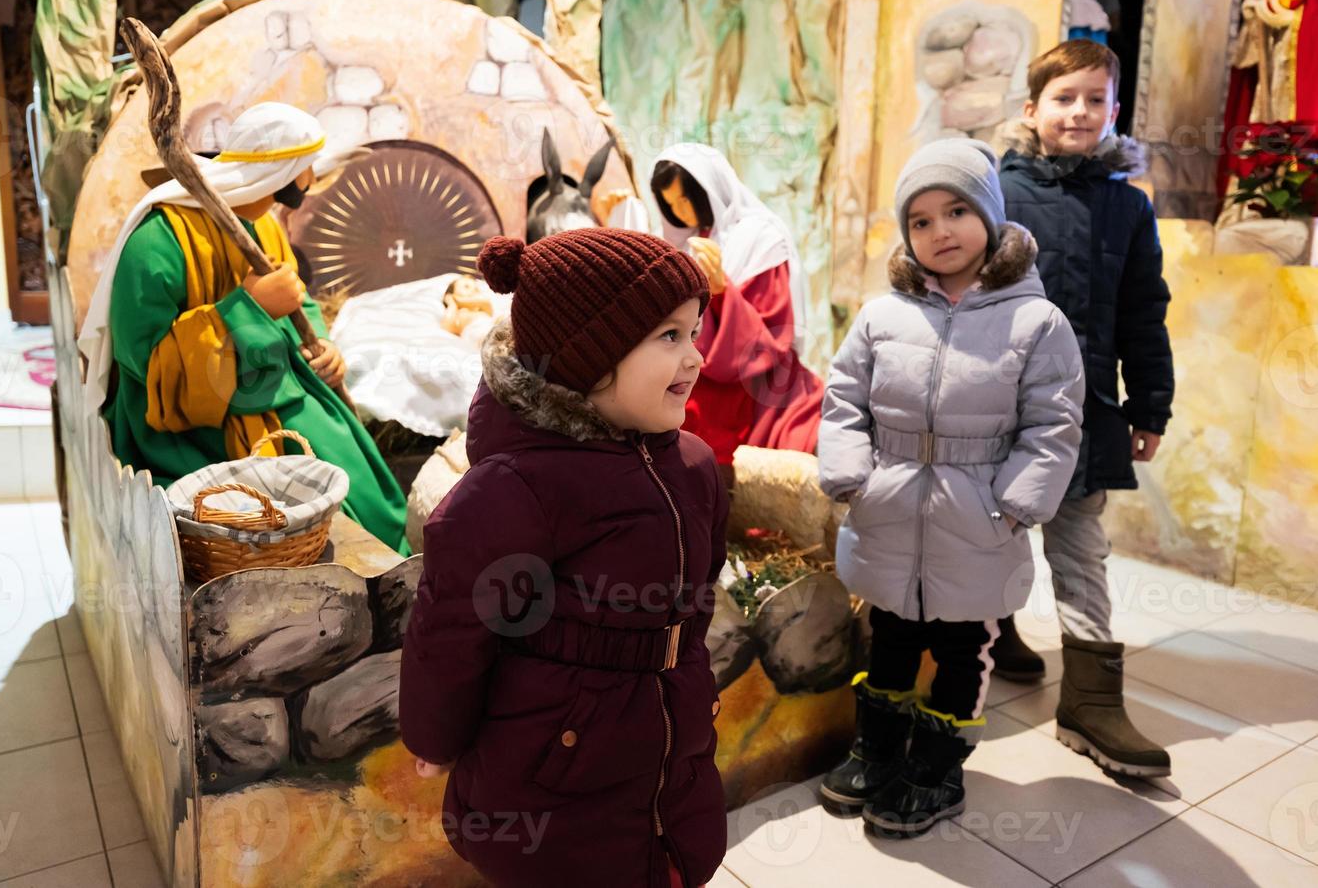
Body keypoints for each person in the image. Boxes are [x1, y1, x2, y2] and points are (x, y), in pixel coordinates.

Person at [399, 228, 729, 887]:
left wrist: (693, 675)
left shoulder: (692, 466)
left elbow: (698, 593)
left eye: (695, 332)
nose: (693, 358)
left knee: (673, 855)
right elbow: (454, 626)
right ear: (588, 358)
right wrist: (436, 737)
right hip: (556, 765)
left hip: (670, 738)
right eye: (669, 337)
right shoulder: (520, 486)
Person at [818, 139, 1084, 835]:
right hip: (891, 508)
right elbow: (844, 398)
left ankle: (936, 770)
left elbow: (1053, 420)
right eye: (921, 220)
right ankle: (877, 752)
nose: (941, 232)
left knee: (965, 648)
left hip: (977, 518)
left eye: (957, 210)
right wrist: (853, 474)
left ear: (990, 215)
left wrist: (1015, 504)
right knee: (891, 637)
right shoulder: (883, 316)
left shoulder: (1036, 321)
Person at [78, 102, 408, 553]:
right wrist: (246, 309)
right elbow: (150, 369)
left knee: (367, 492)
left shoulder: (264, 224)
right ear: (283, 171)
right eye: (305, 167)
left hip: (274, 386)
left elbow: (297, 300)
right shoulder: (156, 242)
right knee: (284, 510)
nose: (311, 179)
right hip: (196, 420)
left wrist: (322, 345)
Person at [996, 39, 1175, 777]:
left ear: (1113, 112)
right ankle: (990, 634)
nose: (1079, 112)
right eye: (1064, 98)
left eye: (1094, 100)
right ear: (1032, 109)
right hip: (996, 404)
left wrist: (1150, 405)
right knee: (987, 535)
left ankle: (1093, 702)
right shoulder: (993, 191)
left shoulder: (1128, 208)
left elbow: (1144, 310)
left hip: (1088, 410)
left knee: (1080, 547)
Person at [649, 144, 824, 475]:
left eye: (685, 199)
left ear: (707, 190)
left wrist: (722, 290)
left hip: (752, 374)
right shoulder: (690, 242)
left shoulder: (761, 238)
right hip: (695, 361)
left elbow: (772, 331)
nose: (681, 212)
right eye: (671, 205)